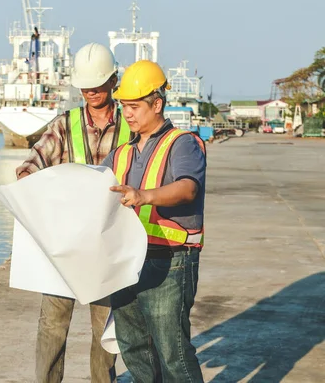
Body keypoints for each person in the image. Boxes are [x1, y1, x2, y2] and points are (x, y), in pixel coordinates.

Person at [16, 42, 130, 383]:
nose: (91, 92)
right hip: (66, 245)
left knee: (105, 330)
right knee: (52, 326)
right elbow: (29, 166)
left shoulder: (131, 127)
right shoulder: (65, 125)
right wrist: (35, 190)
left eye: (98, 84)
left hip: (109, 244)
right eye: (85, 86)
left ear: (113, 82)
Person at [102, 60, 206, 382]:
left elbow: (188, 188)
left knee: (172, 353)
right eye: (123, 107)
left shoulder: (183, 143)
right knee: (134, 349)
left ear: (157, 103)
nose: (127, 114)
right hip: (128, 262)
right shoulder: (120, 153)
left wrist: (144, 196)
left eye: (134, 106)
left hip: (170, 262)